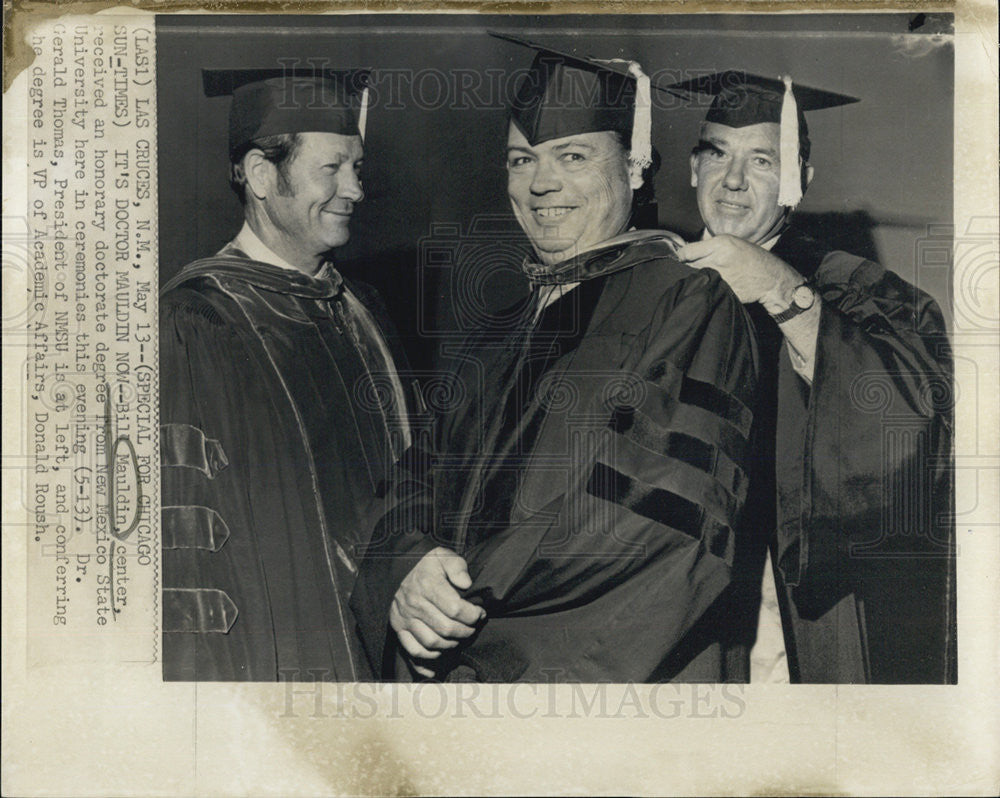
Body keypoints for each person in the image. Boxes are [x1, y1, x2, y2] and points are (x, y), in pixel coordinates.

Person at [351, 35, 760, 682]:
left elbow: (661, 529)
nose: (542, 182)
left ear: (634, 166)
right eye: (520, 160)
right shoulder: (497, 338)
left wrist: (463, 608)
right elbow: (408, 490)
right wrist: (406, 570)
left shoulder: (687, 300)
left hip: (597, 693)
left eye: (573, 155)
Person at [668, 71, 955, 683]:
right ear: (693, 167)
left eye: (762, 161)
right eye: (717, 153)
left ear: (801, 180)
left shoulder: (862, 289)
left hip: (793, 612)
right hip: (665, 609)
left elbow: (909, 435)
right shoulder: (654, 285)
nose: (734, 181)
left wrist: (780, 291)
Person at [160, 68, 411, 681]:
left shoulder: (365, 310)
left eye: (357, 167)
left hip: (389, 648)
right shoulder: (195, 320)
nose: (354, 188)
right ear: (261, 175)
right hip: (276, 661)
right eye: (332, 168)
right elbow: (184, 543)